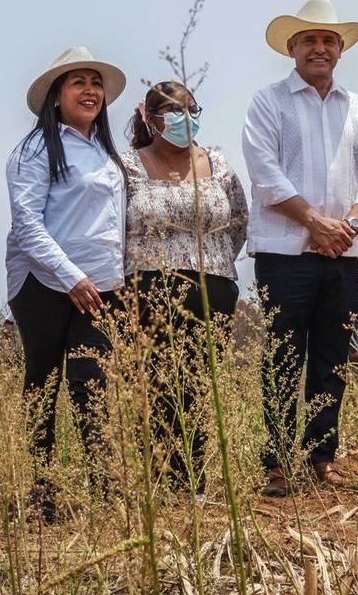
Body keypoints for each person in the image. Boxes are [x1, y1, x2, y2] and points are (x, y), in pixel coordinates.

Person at [242, 0, 358, 498]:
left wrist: (349, 225)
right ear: (292, 47)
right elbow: (265, 174)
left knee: (333, 357)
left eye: (329, 40)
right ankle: (278, 462)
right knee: (284, 357)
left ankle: (321, 456)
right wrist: (314, 223)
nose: (319, 48)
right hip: (285, 252)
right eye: (310, 39)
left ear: (341, 49)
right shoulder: (269, 102)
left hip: (345, 251)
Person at [6, 47, 127, 521]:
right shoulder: (35, 150)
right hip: (44, 283)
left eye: (95, 83)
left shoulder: (105, 152)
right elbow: (27, 225)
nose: (90, 91)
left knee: (90, 382)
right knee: (43, 381)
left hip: (101, 285)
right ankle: (41, 494)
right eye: (78, 82)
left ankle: (105, 490)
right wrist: (70, 276)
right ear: (56, 97)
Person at [121, 81, 248, 498]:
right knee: (155, 386)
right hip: (148, 289)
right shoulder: (128, 167)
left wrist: (212, 265)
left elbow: (239, 222)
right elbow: (113, 228)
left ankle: (192, 483)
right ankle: (155, 483)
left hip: (214, 288)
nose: (186, 118)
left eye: (192, 109)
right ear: (150, 118)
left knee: (196, 387)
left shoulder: (219, 163)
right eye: (174, 111)